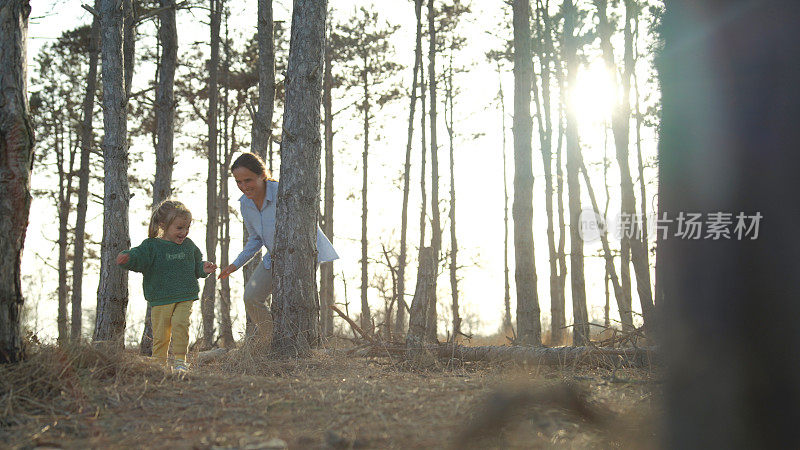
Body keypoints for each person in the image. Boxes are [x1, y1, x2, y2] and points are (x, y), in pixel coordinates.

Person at [218, 152, 338, 342]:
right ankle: (272, 341)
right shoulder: (245, 205)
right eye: (238, 182)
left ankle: (305, 344)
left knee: (292, 302)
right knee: (251, 297)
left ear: (262, 175)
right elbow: (255, 239)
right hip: (274, 256)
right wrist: (235, 265)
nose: (243, 187)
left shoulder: (283, 193)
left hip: (302, 254)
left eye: (248, 180)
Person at [117, 200, 217, 372]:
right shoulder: (152, 246)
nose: (184, 232)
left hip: (185, 295)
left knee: (180, 325)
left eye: (187, 228)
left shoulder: (189, 246)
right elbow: (138, 257)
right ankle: (159, 365)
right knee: (161, 335)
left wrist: (203, 268)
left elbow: (195, 266)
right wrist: (128, 258)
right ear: (163, 225)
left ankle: (180, 361)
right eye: (179, 228)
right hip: (160, 297)